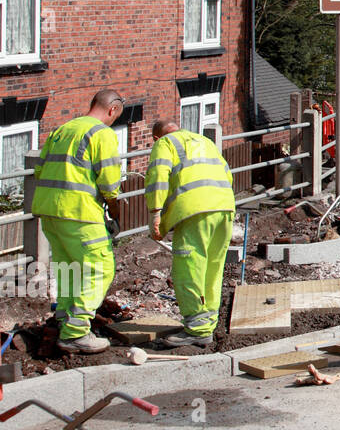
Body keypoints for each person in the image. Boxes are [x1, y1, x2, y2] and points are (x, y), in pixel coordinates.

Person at [31, 89, 125, 353]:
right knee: (99, 268)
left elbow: (39, 170)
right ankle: (75, 332)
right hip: (80, 214)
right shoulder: (101, 134)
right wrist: (115, 212)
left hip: (50, 212)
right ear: (112, 110)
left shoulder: (60, 130)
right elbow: (109, 182)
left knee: (68, 266)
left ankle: (64, 318)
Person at [145, 120, 235, 348]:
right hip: (224, 206)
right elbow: (228, 174)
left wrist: (156, 214)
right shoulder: (205, 141)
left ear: (157, 137)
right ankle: (207, 322)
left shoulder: (164, 144)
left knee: (189, 267)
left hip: (195, 211)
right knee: (212, 267)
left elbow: (158, 177)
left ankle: (196, 328)